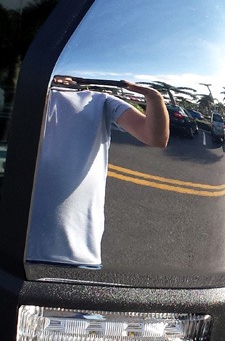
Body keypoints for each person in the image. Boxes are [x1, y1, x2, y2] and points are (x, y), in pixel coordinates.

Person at [25, 78, 169, 268]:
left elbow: (155, 137)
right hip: (13, 241)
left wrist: (154, 97)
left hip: (75, 251)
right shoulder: (27, 92)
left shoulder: (100, 99)